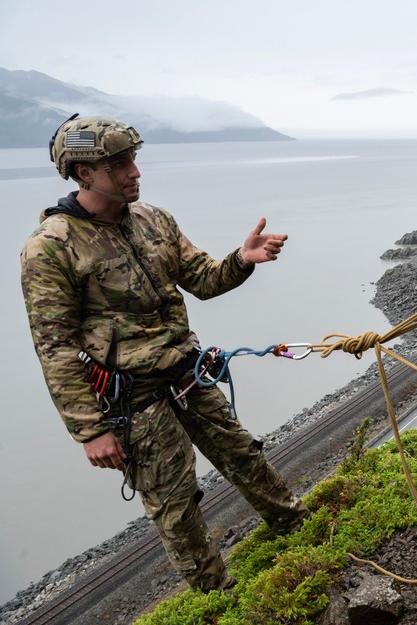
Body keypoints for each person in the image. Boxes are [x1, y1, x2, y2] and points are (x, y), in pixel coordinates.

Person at [20, 115, 308, 593]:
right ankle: (219, 602)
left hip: (188, 373)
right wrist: (90, 431)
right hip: (134, 403)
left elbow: (203, 280)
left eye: (133, 159)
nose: (134, 171)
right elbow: (54, 348)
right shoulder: (50, 248)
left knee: (246, 456)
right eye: (119, 164)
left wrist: (242, 260)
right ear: (83, 172)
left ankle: (301, 531)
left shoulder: (154, 219)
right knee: (177, 509)